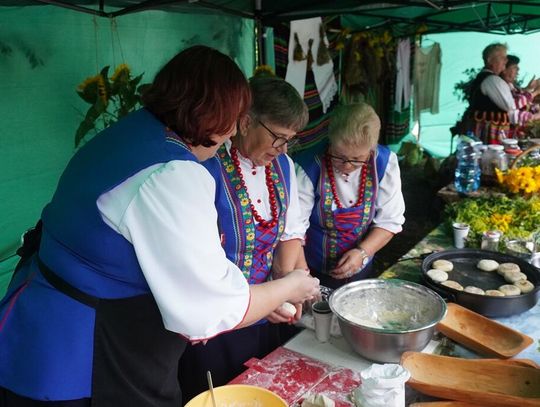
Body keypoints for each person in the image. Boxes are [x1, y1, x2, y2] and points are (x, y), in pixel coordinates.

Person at [0, 46, 319, 407]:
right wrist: (290, 285)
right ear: (213, 115)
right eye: (234, 119)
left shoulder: (131, 134)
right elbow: (208, 308)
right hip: (80, 352)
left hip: (47, 319)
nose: (232, 133)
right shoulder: (171, 173)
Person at [178, 75, 310, 402]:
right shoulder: (204, 168)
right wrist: (272, 297)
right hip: (216, 321)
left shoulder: (285, 168)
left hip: (267, 313)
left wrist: (285, 286)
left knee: (259, 392)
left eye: (289, 140)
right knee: (218, 394)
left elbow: (290, 236)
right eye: (278, 138)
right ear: (247, 122)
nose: (282, 149)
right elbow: (197, 266)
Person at [294, 102, 405, 289]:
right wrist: (303, 278)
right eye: (339, 155)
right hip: (311, 268)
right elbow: (293, 231)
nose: (347, 166)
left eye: (357, 159)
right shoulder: (307, 166)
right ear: (330, 140)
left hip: (362, 267)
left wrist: (363, 253)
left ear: (371, 149)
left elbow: (389, 221)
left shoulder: (384, 163)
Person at [455, 43, 540, 144]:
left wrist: (528, 90)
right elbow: (510, 105)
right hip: (487, 132)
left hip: (490, 131)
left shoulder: (490, 78)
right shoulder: (491, 80)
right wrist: (533, 93)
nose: (506, 60)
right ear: (490, 60)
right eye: (503, 57)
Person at [500, 54, 540, 138]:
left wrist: (529, 89)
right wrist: (535, 92)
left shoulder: (510, 86)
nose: (518, 70)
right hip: (505, 137)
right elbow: (513, 108)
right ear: (504, 69)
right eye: (514, 67)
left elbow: (522, 100)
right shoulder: (501, 86)